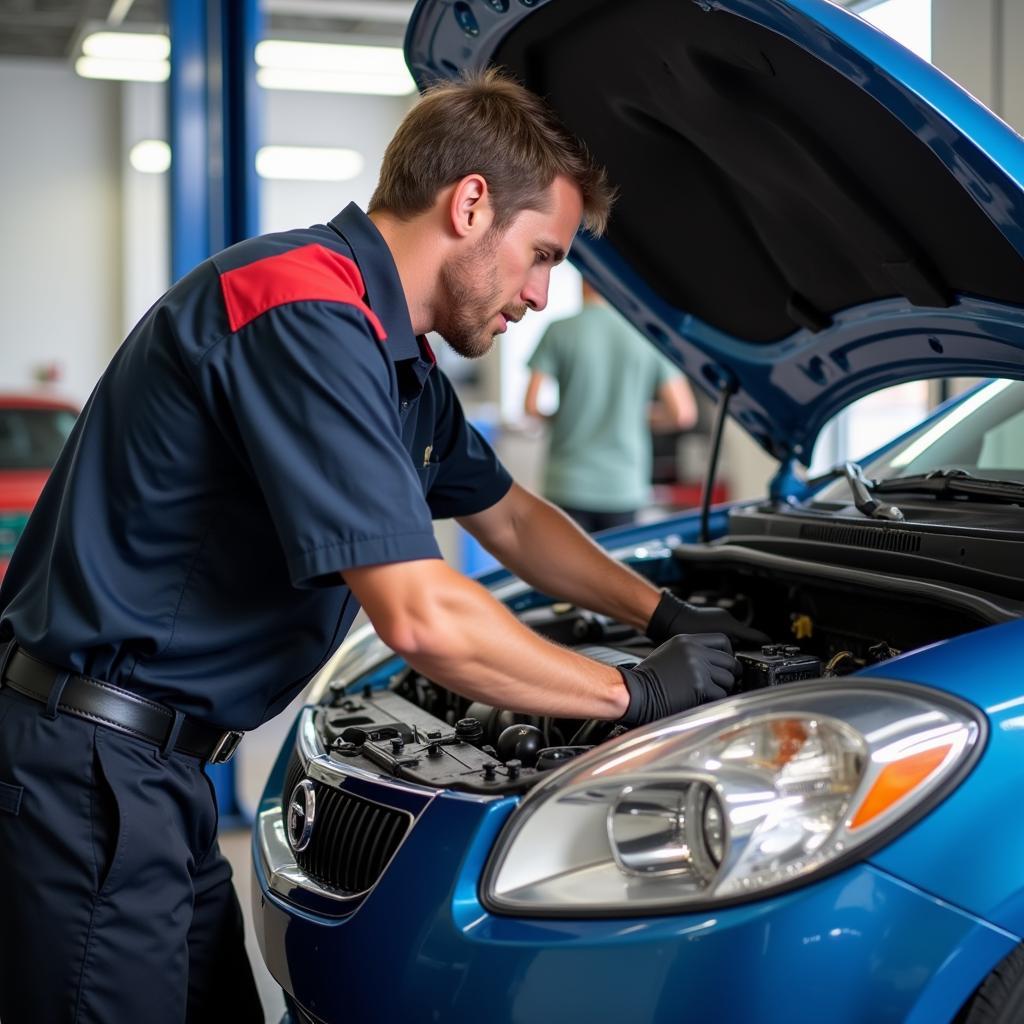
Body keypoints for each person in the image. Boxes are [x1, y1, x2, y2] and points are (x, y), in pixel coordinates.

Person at [0, 70, 764, 1024]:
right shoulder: (301, 310)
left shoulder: (395, 360)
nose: (536, 296)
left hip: (161, 777)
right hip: (92, 778)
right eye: (541, 257)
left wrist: (661, 613)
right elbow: (422, 615)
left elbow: (514, 518)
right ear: (471, 203)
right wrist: (632, 692)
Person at [524, 279, 697, 532]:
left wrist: (571, 414)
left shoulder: (559, 329)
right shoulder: (647, 334)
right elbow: (683, 414)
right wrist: (634, 414)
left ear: (583, 282)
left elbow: (531, 405)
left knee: (564, 571)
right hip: (622, 486)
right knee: (613, 568)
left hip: (567, 483)